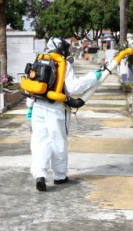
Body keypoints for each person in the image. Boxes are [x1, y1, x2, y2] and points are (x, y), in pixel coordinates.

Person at [28, 37, 101, 191]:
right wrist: (93, 77)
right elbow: (74, 88)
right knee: (57, 141)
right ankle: (60, 176)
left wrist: (29, 108)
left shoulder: (40, 60)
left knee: (39, 142)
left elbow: (33, 86)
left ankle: (40, 174)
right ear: (60, 47)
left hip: (37, 107)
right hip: (56, 108)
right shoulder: (63, 63)